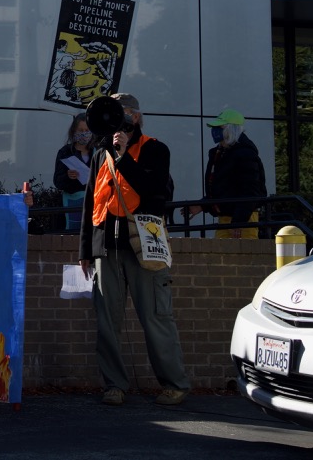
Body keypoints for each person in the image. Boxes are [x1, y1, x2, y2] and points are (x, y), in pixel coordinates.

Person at [78, 93, 190, 407]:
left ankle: (175, 384)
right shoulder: (100, 153)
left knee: (156, 315)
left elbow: (154, 191)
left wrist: (124, 155)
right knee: (107, 322)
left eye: (121, 113)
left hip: (143, 245)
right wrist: (85, 248)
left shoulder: (155, 148)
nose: (115, 119)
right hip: (106, 247)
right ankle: (114, 386)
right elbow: (91, 200)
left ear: (135, 117)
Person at [190, 109, 267, 239]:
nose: (214, 131)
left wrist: (238, 221)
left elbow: (250, 192)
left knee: (242, 256)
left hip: (242, 221)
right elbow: (224, 189)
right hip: (226, 218)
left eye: (219, 127)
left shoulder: (245, 154)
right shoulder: (219, 153)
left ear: (231, 129)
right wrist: (204, 205)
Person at [53, 112, 93, 231]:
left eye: (87, 130)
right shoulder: (65, 152)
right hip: (72, 204)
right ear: (74, 131)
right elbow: (57, 181)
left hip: (93, 203)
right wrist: (68, 176)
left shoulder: (98, 152)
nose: (84, 133)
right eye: (80, 130)